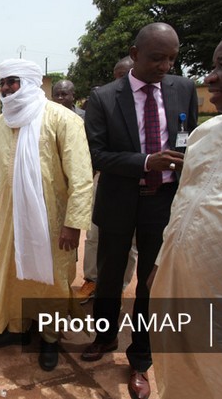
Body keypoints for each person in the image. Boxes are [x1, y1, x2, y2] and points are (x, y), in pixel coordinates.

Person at [0, 59, 93, 372]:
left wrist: (73, 224)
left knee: (52, 281)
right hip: (12, 217)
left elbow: (81, 177)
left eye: (10, 82)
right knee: (14, 274)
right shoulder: (1, 123)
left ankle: (50, 340)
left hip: (53, 224)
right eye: (1, 83)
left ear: (28, 81)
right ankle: (18, 328)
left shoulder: (62, 119)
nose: (4, 88)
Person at [82, 23, 198, 399]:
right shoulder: (103, 98)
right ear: (135, 54)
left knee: (150, 284)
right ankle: (103, 336)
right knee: (111, 278)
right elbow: (97, 155)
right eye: (156, 57)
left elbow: (189, 139)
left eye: (171, 58)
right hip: (118, 201)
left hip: (162, 204)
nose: (165, 65)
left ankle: (140, 360)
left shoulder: (183, 89)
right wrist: (147, 161)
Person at [149, 13, 222, 399]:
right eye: (212, 66)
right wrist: (162, 267)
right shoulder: (207, 132)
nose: (209, 77)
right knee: (178, 378)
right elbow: (183, 205)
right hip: (178, 295)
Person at [77, 56, 137, 304]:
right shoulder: (106, 103)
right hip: (104, 180)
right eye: (116, 77)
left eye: (122, 76)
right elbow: (95, 149)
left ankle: (119, 285)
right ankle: (91, 280)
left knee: (130, 242)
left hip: (136, 184)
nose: (118, 82)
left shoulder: (149, 107)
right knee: (94, 234)